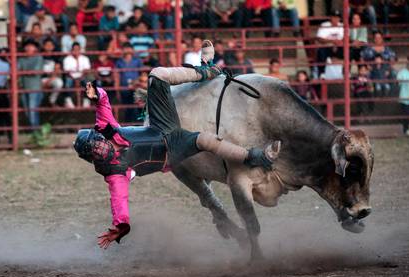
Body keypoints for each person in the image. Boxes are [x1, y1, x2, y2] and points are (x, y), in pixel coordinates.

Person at [74, 40, 280, 248]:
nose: (100, 148)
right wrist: (121, 225)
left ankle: (205, 70)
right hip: (171, 150)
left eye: (97, 143)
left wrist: (96, 93)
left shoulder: (105, 128)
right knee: (205, 140)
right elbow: (119, 201)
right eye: (95, 151)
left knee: (156, 75)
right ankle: (254, 156)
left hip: (160, 126)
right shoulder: (114, 174)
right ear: (92, 158)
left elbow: (103, 103)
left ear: (98, 135)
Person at [18, 39, 44, 128]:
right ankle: (34, 130)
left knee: (33, 110)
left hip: (35, 89)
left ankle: (35, 130)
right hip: (24, 87)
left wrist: (23, 72)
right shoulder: (21, 59)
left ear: (35, 48)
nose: (29, 48)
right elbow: (17, 71)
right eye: (27, 46)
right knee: (27, 111)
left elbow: (35, 72)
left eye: (31, 46)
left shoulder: (38, 58)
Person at [115, 42, 143, 121]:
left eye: (129, 48)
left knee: (136, 108)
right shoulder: (119, 62)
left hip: (136, 88)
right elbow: (117, 76)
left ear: (132, 50)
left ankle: (137, 125)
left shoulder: (137, 60)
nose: (127, 50)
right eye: (125, 48)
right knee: (127, 108)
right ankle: (128, 126)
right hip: (124, 88)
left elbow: (142, 74)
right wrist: (117, 90)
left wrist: (137, 82)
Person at [313, 10, 344, 79]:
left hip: (338, 47)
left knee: (349, 51)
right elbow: (319, 39)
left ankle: (346, 73)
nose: (336, 19)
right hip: (327, 47)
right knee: (321, 52)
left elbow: (346, 38)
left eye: (337, 17)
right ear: (331, 17)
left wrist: (337, 44)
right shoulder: (324, 25)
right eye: (334, 17)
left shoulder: (342, 26)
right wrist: (332, 42)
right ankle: (322, 74)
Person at [63, 42, 91, 108]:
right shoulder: (67, 59)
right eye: (74, 49)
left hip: (82, 77)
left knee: (88, 82)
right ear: (71, 50)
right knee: (67, 82)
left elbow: (86, 70)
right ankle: (68, 100)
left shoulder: (85, 58)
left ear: (80, 49)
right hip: (71, 77)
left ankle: (86, 100)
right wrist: (74, 79)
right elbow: (67, 71)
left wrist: (80, 78)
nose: (76, 51)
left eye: (78, 49)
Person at [41, 38, 64, 107]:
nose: (49, 47)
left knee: (59, 83)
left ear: (53, 47)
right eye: (47, 45)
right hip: (40, 79)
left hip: (52, 78)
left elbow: (57, 70)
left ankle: (52, 101)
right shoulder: (40, 56)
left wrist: (49, 80)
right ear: (43, 46)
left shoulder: (56, 57)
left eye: (50, 45)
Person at [397, 56, 409, 136]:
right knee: (406, 115)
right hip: (405, 98)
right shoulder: (402, 72)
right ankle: (406, 130)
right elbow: (398, 82)